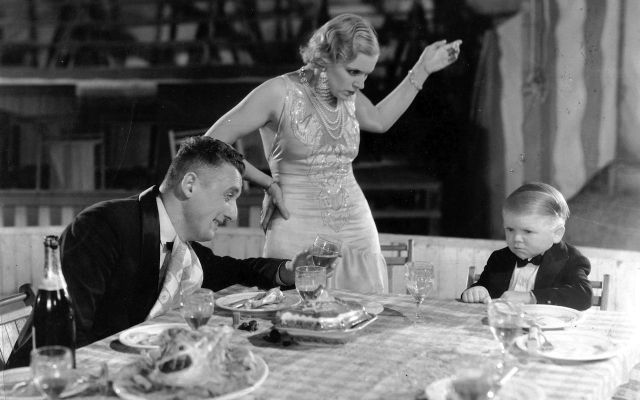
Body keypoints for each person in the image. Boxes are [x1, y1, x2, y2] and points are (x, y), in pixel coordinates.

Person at [205, 13, 462, 293]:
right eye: (354, 72)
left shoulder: (348, 94)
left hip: (356, 228)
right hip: (296, 224)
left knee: (364, 312)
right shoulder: (278, 92)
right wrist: (267, 182)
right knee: (293, 312)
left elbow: (379, 120)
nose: (361, 83)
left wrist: (423, 68)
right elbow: (211, 142)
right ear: (324, 58)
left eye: (366, 74)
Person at [6, 137, 310, 368]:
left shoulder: (179, 245)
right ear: (189, 185)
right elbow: (65, 334)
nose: (232, 213)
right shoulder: (103, 225)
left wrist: (286, 272)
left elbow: (234, 270)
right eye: (228, 196)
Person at [460, 182, 592, 310]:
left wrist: (530, 297)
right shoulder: (499, 258)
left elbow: (583, 296)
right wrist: (477, 291)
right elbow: (483, 287)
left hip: (546, 324)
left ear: (557, 234)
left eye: (527, 231)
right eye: (510, 229)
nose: (516, 239)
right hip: (504, 323)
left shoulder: (570, 259)